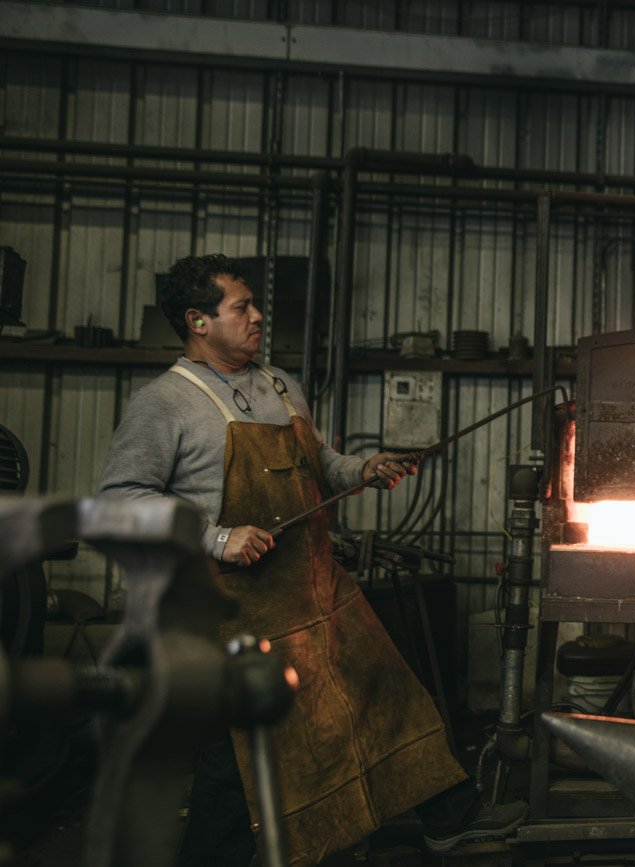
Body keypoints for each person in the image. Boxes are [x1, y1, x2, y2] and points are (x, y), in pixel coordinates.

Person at [99, 254, 525, 865]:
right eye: (241, 307)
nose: (258, 316)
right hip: (235, 610)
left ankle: (450, 819)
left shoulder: (278, 384)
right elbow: (121, 499)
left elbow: (321, 464)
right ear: (198, 321)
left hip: (320, 590)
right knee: (241, 755)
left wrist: (365, 469)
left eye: (253, 304)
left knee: (389, 698)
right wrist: (218, 537)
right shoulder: (165, 403)